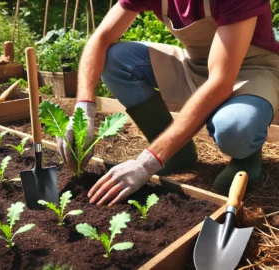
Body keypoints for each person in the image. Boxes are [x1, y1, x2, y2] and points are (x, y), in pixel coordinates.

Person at [57, 0, 279, 206]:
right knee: (116, 60)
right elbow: (101, 38)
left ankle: (246, 158)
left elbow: (220, 81)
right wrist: (84, 109)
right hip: (196, 65)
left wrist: (147, 162)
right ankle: (177, 152)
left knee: (235, 127)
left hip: (254, 71)